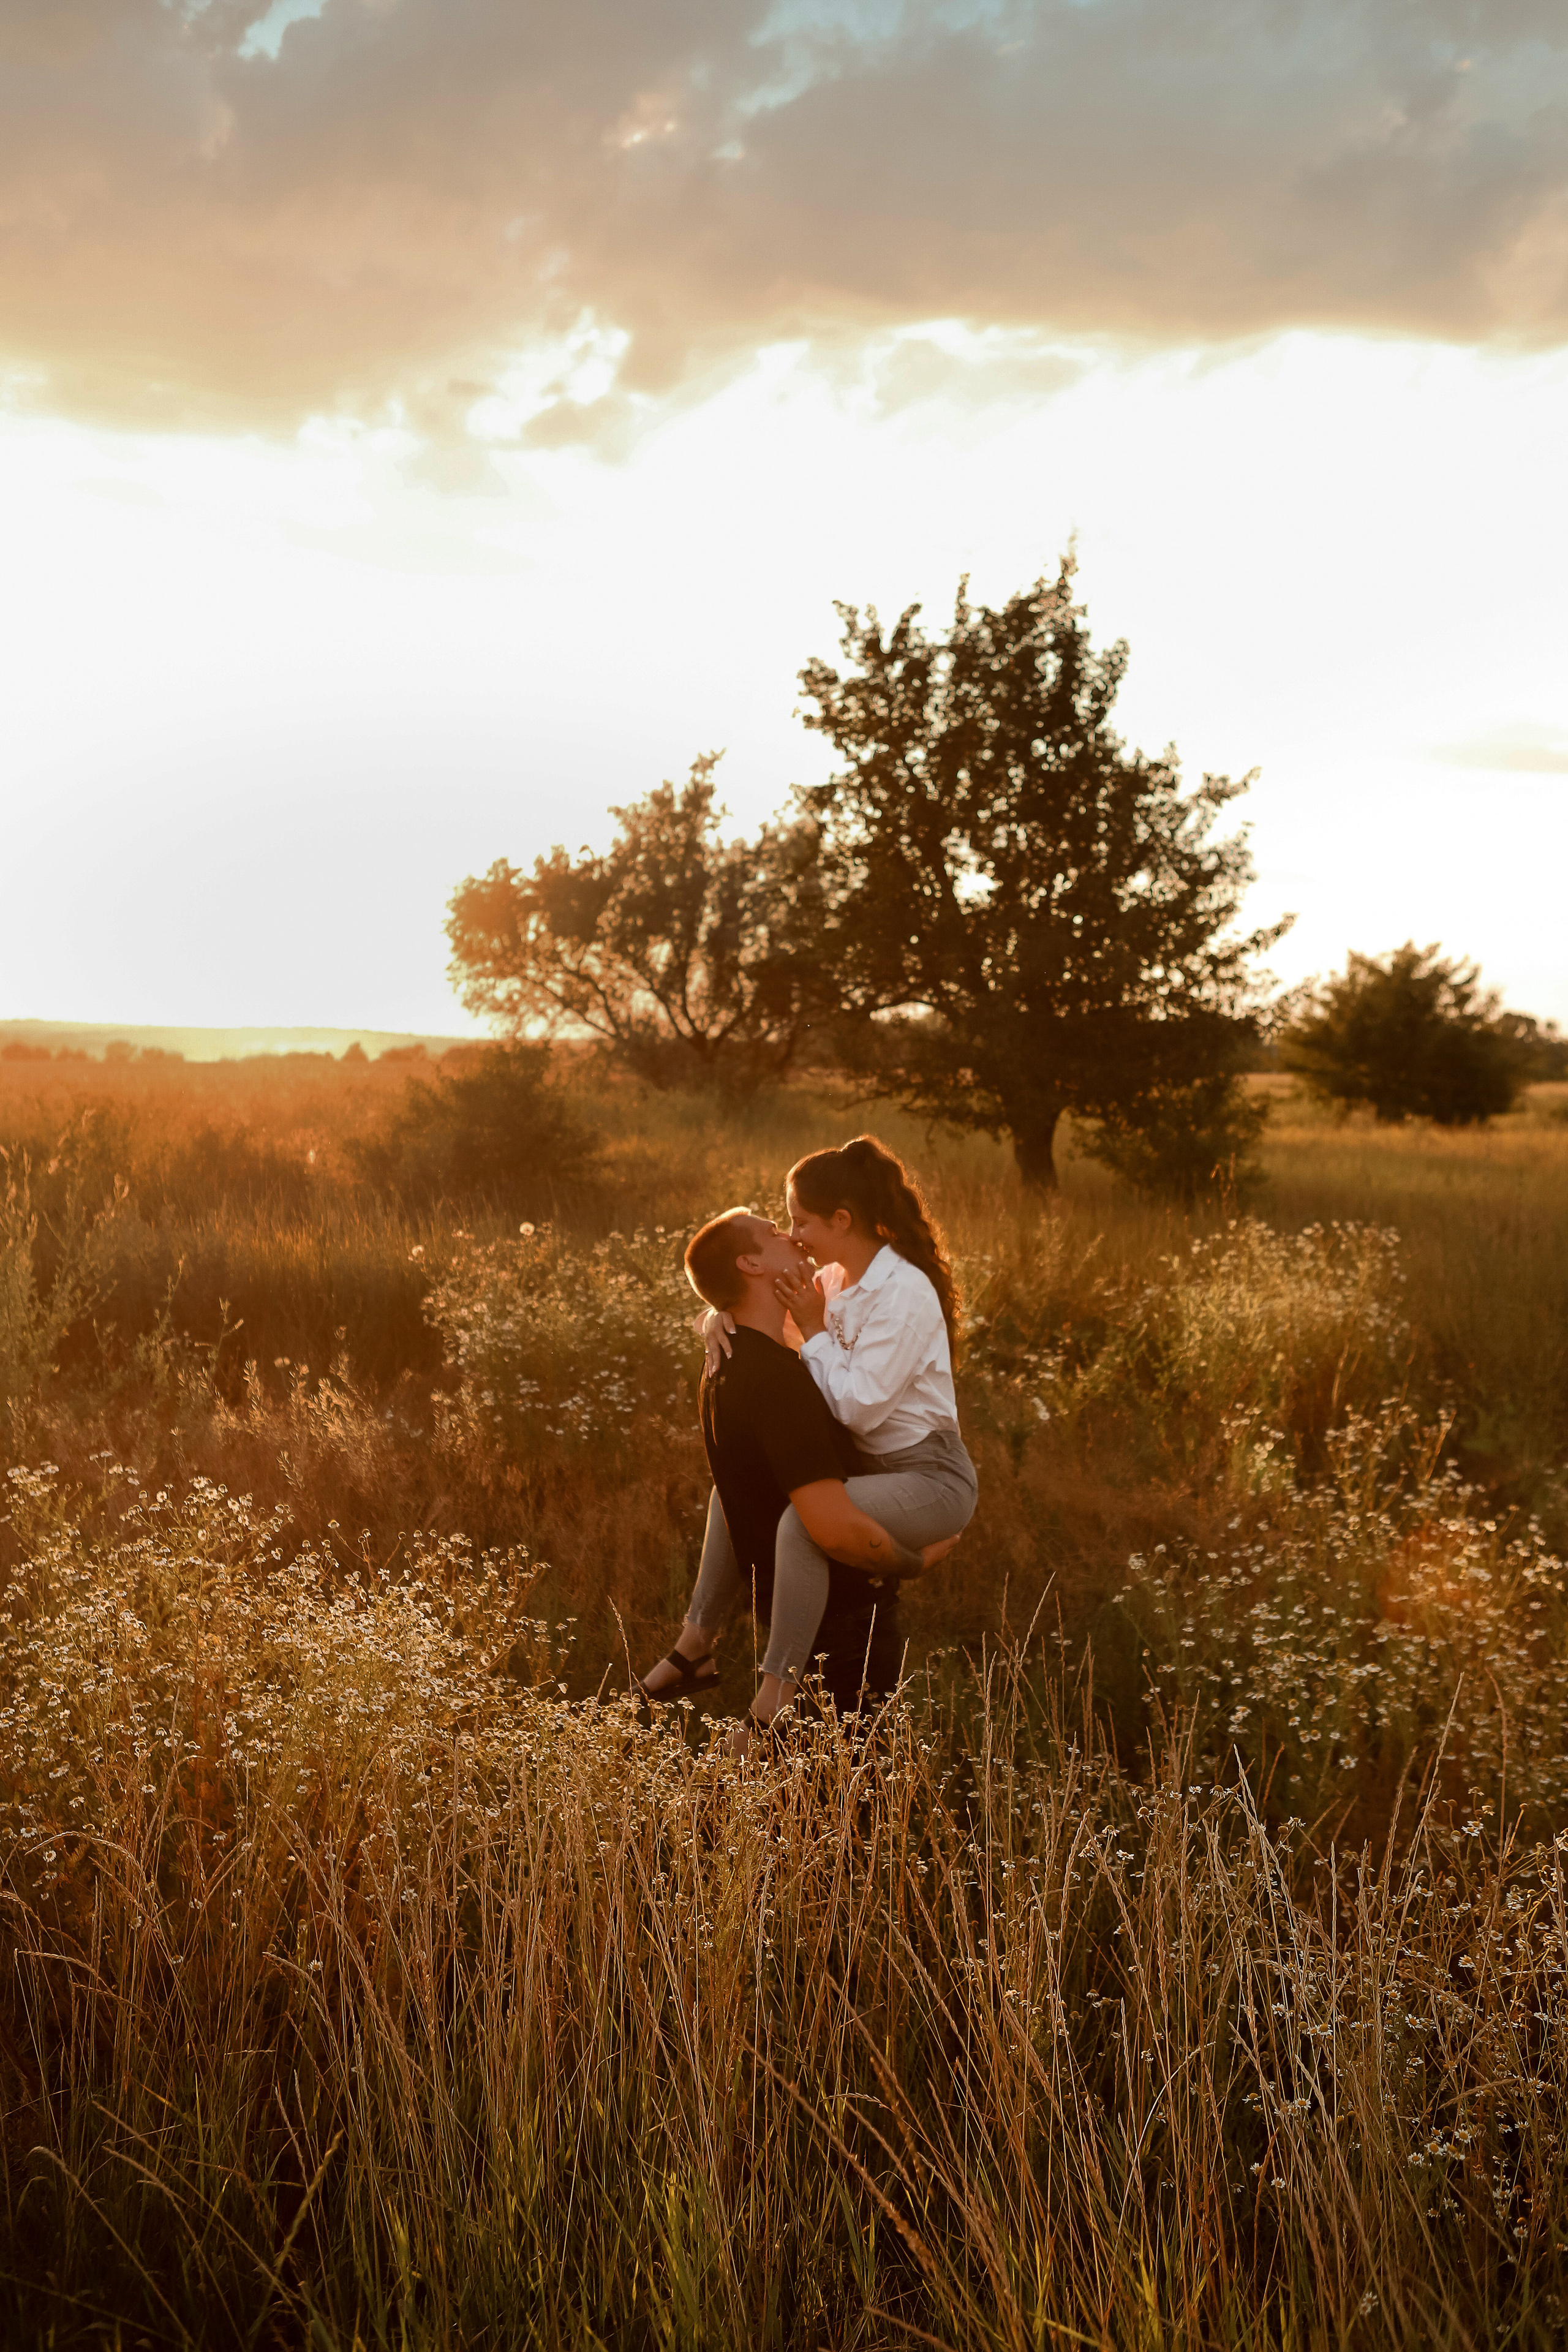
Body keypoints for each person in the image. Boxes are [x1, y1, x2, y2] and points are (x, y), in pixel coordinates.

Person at [639, 1136, 978, 1735]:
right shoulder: (836, 1276)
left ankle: (769, 1707)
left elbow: (859, 1410)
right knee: (732, 1488)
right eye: (784, 1226)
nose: (793, 1235)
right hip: (876, 1471)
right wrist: (715, 1315)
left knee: (801, 1525)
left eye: (798, 1221)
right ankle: (696, 1644)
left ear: (841, 1221)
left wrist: (816, 1328)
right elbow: (755, 1300)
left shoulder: (901, 1292)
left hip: (930, 1476)